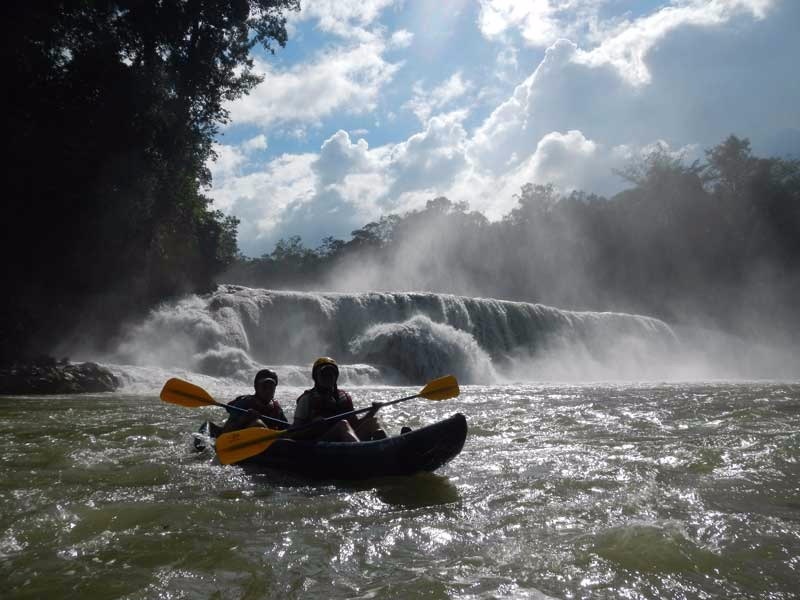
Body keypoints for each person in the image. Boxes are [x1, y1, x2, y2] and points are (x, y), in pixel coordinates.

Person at [294, 357, 386, 442]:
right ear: (316, 377)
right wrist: (312, 428)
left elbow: (354, 425)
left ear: (336, 376)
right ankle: (359, 449)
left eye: (331, 374)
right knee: (342, 424)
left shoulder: (344, 397)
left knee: (373, 421)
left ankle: (384, 446)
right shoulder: (306, 399)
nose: (328, 377)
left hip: (346, 441)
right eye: (324, 374)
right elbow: (294, 432)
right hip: (319, 442)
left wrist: (373, 411)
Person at [221, 368, 289, 434]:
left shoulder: (276, 408)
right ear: (256, 387)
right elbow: (225, 431)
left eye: (271, 387)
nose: (268, 390)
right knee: (258, 424)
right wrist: (244, 419)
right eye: (264, 386)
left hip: (270, 440)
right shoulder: (244, 403)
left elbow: (288, 430)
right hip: (243, 439)